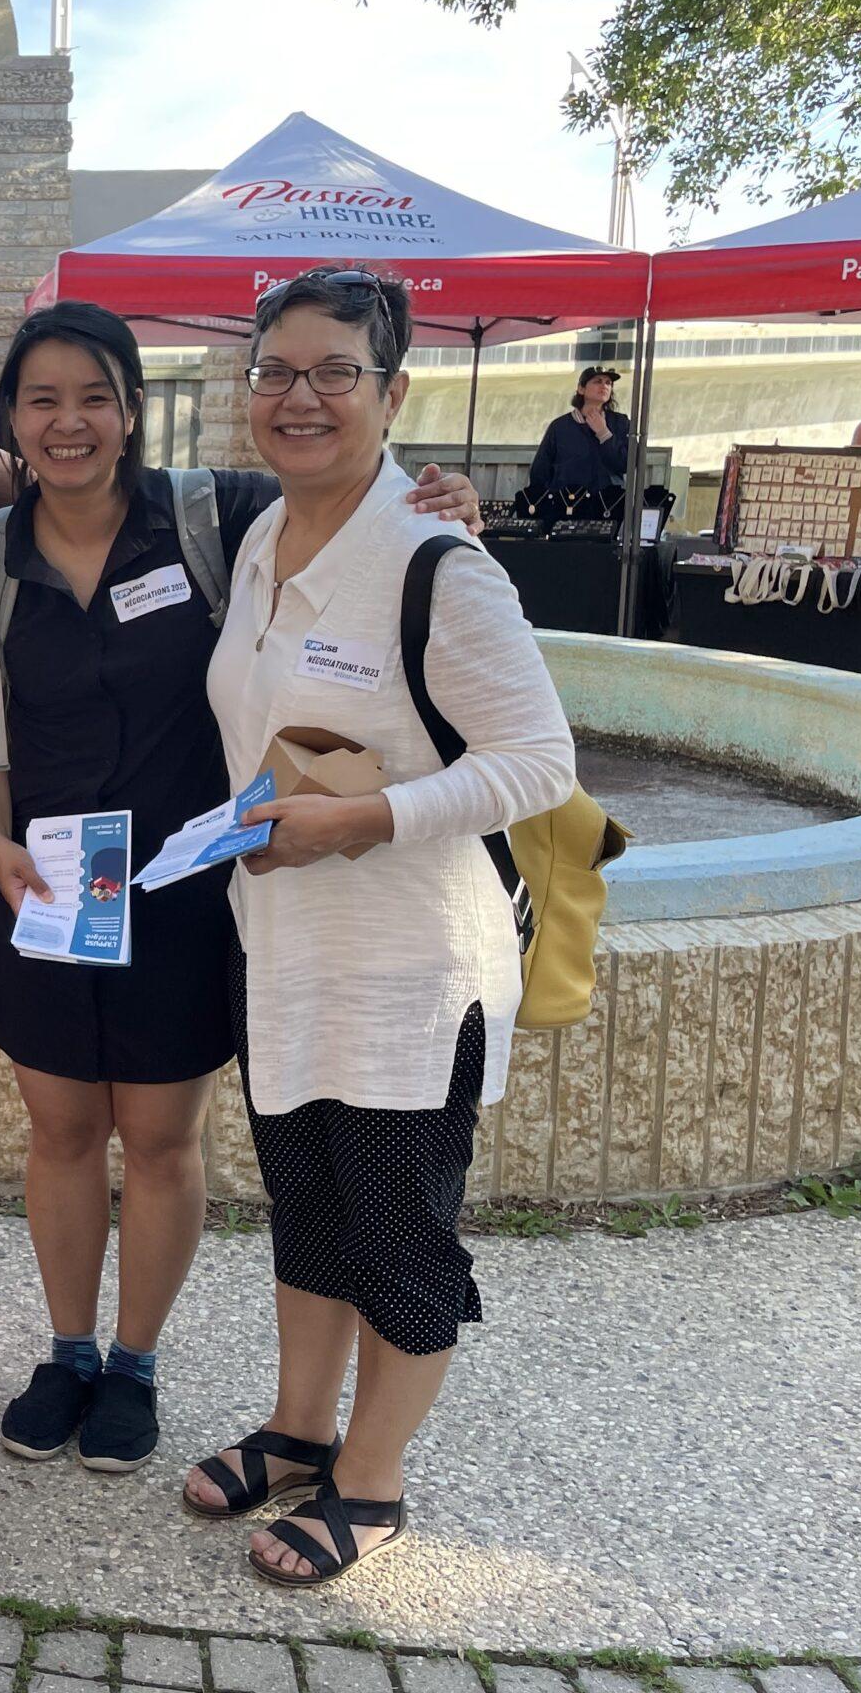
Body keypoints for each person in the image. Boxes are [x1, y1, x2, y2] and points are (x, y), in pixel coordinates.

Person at [0, 301, 481, 1477]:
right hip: (41, 885)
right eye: (41, 399)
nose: (69, 422)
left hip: (186, 893)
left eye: (94, 395)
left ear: (133, 408)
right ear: (12, 418)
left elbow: (353, 513)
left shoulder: (214, 517)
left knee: (161, 1138)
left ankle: (136, 1362)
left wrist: (441, 504)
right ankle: (70, 1350)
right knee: (60, 1131)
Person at [191, 266, 574, 1585]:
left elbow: (539, 762)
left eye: (333, 373)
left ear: (392, 392)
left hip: (415, 967)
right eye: (275, 373)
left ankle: (372, 1478)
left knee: (401, 1233)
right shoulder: (260, 540)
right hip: (286, 946)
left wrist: (366, 820)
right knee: (309, 1207)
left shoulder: (434, 560)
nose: (299, 399)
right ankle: (299, 1430)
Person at [521, 365, 632, 502]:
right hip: (566, 506)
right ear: (581, 388)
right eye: (597, 381)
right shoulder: (559, 427)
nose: (604, 386)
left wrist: (604, 433)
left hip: (607, 505)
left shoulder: (620, 423)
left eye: (608, 383)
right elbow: (540, 471)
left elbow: (626, 464)